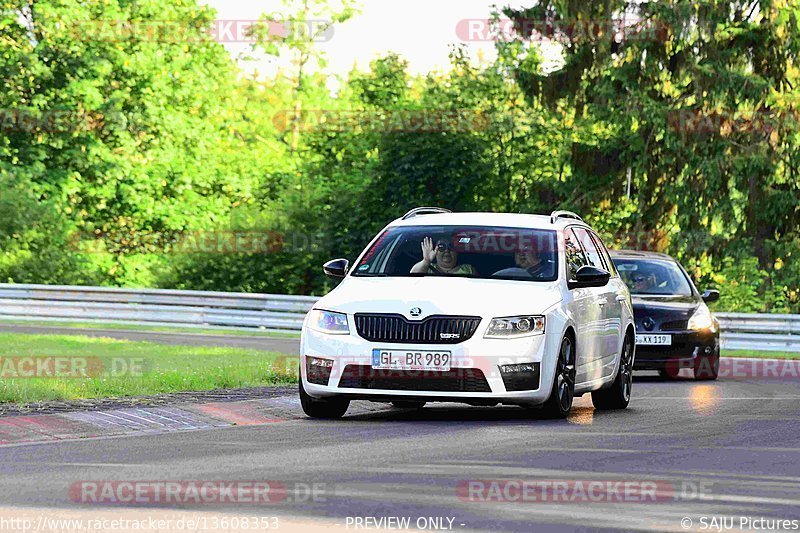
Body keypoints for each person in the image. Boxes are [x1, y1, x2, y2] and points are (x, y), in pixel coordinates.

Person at [410, 237, 475, 275]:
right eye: (441, 247)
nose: (447, 250)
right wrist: (426, 261)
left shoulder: (468, 269)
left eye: (451, 247)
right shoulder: (427, 268)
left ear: (456, 252)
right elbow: (413, 276)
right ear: (435, 252)